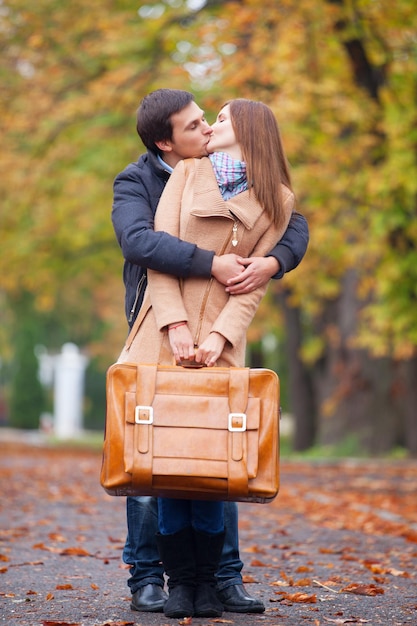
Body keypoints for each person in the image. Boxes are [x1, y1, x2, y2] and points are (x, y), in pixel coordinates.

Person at [111, 89, 309, 614]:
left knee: (216, 461)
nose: (205, 129)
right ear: (166, 142)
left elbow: (292, 229)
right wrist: (184, 313)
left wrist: (270, 265)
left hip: (221, 339)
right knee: (153, 461)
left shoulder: (273, 195)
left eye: (212, 120)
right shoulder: (153, 179)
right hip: (161, 328)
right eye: (196, 125)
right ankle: (153, 579)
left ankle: (222, 578)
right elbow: (144, 245)